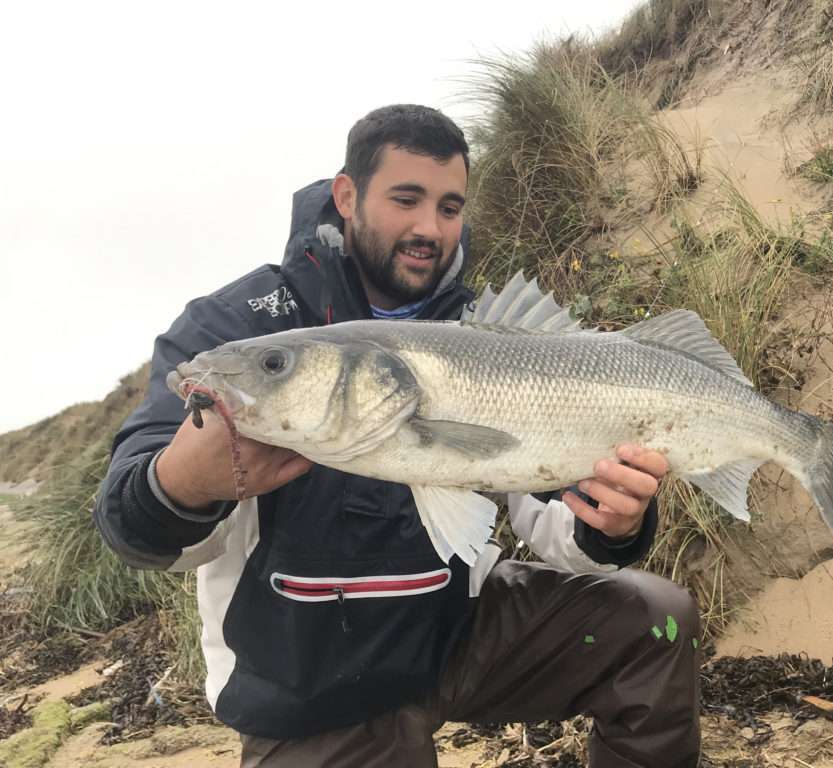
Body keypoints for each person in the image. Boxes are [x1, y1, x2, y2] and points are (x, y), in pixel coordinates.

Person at [94, 104, 701, 767]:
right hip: (310, 686)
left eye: (449, 206)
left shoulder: (485, 334)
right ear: (347, 196)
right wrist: (182, 483)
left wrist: (609, 525)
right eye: (406, 199)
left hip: (454, 635)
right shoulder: (235, 331)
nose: (428, 227)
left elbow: (551, 522)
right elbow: (131, 525)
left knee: (656, 620)